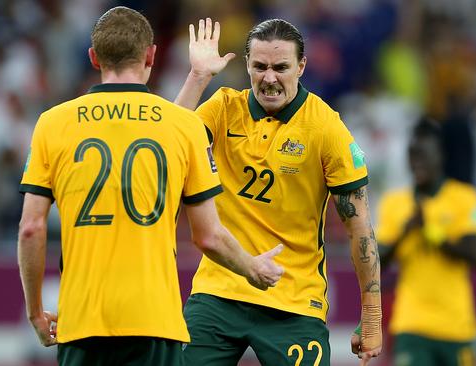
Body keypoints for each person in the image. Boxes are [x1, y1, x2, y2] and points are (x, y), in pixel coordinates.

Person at [17, 7, 284, 366]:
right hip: (156, 322)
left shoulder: (52, 124)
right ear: (151, 55)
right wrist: (252, 267)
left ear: (94, 57)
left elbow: (31, 228)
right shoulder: (182, 128)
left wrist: (35, 311)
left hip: (81, 322)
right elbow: (208, 236)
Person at [175, 18, 382, 365]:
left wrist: (372, 317)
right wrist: (198, 77)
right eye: (260, 67)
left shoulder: (325, 127)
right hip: (220, 290)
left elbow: (359, 228)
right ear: (247, 66)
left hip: (294, 301)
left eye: (281, 67)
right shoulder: (224, 108)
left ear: (301, 67)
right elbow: (166, 146)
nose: (269, 78)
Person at [374, 118, 476, 366]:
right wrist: (405, 232)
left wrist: (431, 233)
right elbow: (375, 263)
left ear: (441, 155)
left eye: (424, 154)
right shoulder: (395, 203)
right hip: (412, 324)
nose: (417, 162)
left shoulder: (465, 198)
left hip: (457, 326)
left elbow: (474, 255)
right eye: (412, 155)